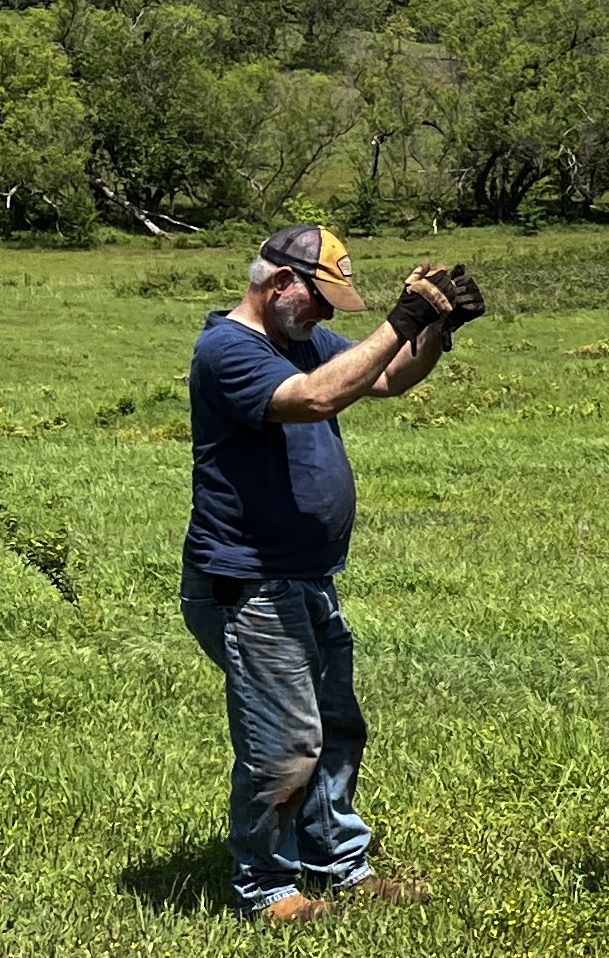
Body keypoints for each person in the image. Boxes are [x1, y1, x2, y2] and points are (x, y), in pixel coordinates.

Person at [180, 224, 484, 921]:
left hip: (305, 573)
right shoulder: (226, 349)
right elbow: (314, 399)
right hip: (247, 581)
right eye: (319, 299)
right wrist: (402, 316)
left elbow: (383, 377)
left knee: (337, 728)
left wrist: (436, 330)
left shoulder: (298, 338)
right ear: (277, 282)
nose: (323, 316)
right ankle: (266, 886)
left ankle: (337, 865)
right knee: (285, 742)